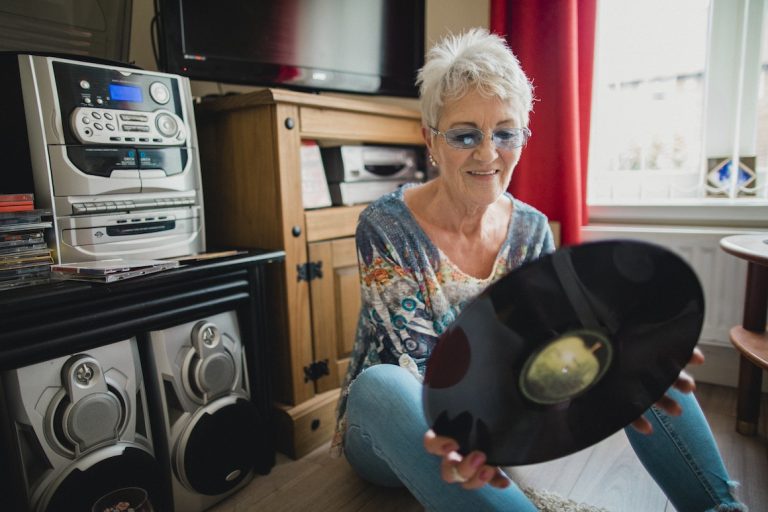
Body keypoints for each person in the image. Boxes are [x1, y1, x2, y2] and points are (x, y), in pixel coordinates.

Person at [331, 28, 745, 512]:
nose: (488, 154)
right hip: (393, 428)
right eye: (465, 135)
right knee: (383, 384)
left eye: (505, 133)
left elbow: (548, 353)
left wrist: (625, 359)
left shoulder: (530, 228)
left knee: (632, 343)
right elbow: (423, 381)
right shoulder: (385, 226)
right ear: (432, 141)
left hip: (492, 429)